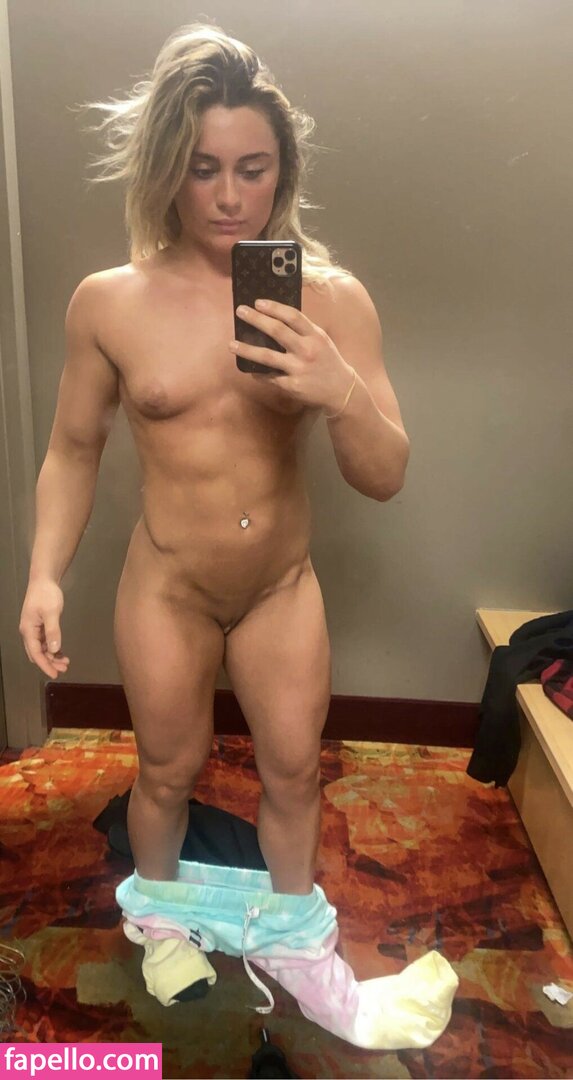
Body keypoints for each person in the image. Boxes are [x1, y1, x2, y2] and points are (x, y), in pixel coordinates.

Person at [18, 23, 409, 897]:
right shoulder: (109, 303)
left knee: (295, 773)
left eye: (252, 168)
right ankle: (161, 932)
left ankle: (292, 939)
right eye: (203, 169)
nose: (230, 197)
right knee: (164, 774)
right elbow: (73, 451)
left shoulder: (331, 300)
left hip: (279, 587)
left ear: (283, 170)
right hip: (168, 588)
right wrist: (44, 578)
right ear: (167, 169)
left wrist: (338, 389)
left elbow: (384, 476)